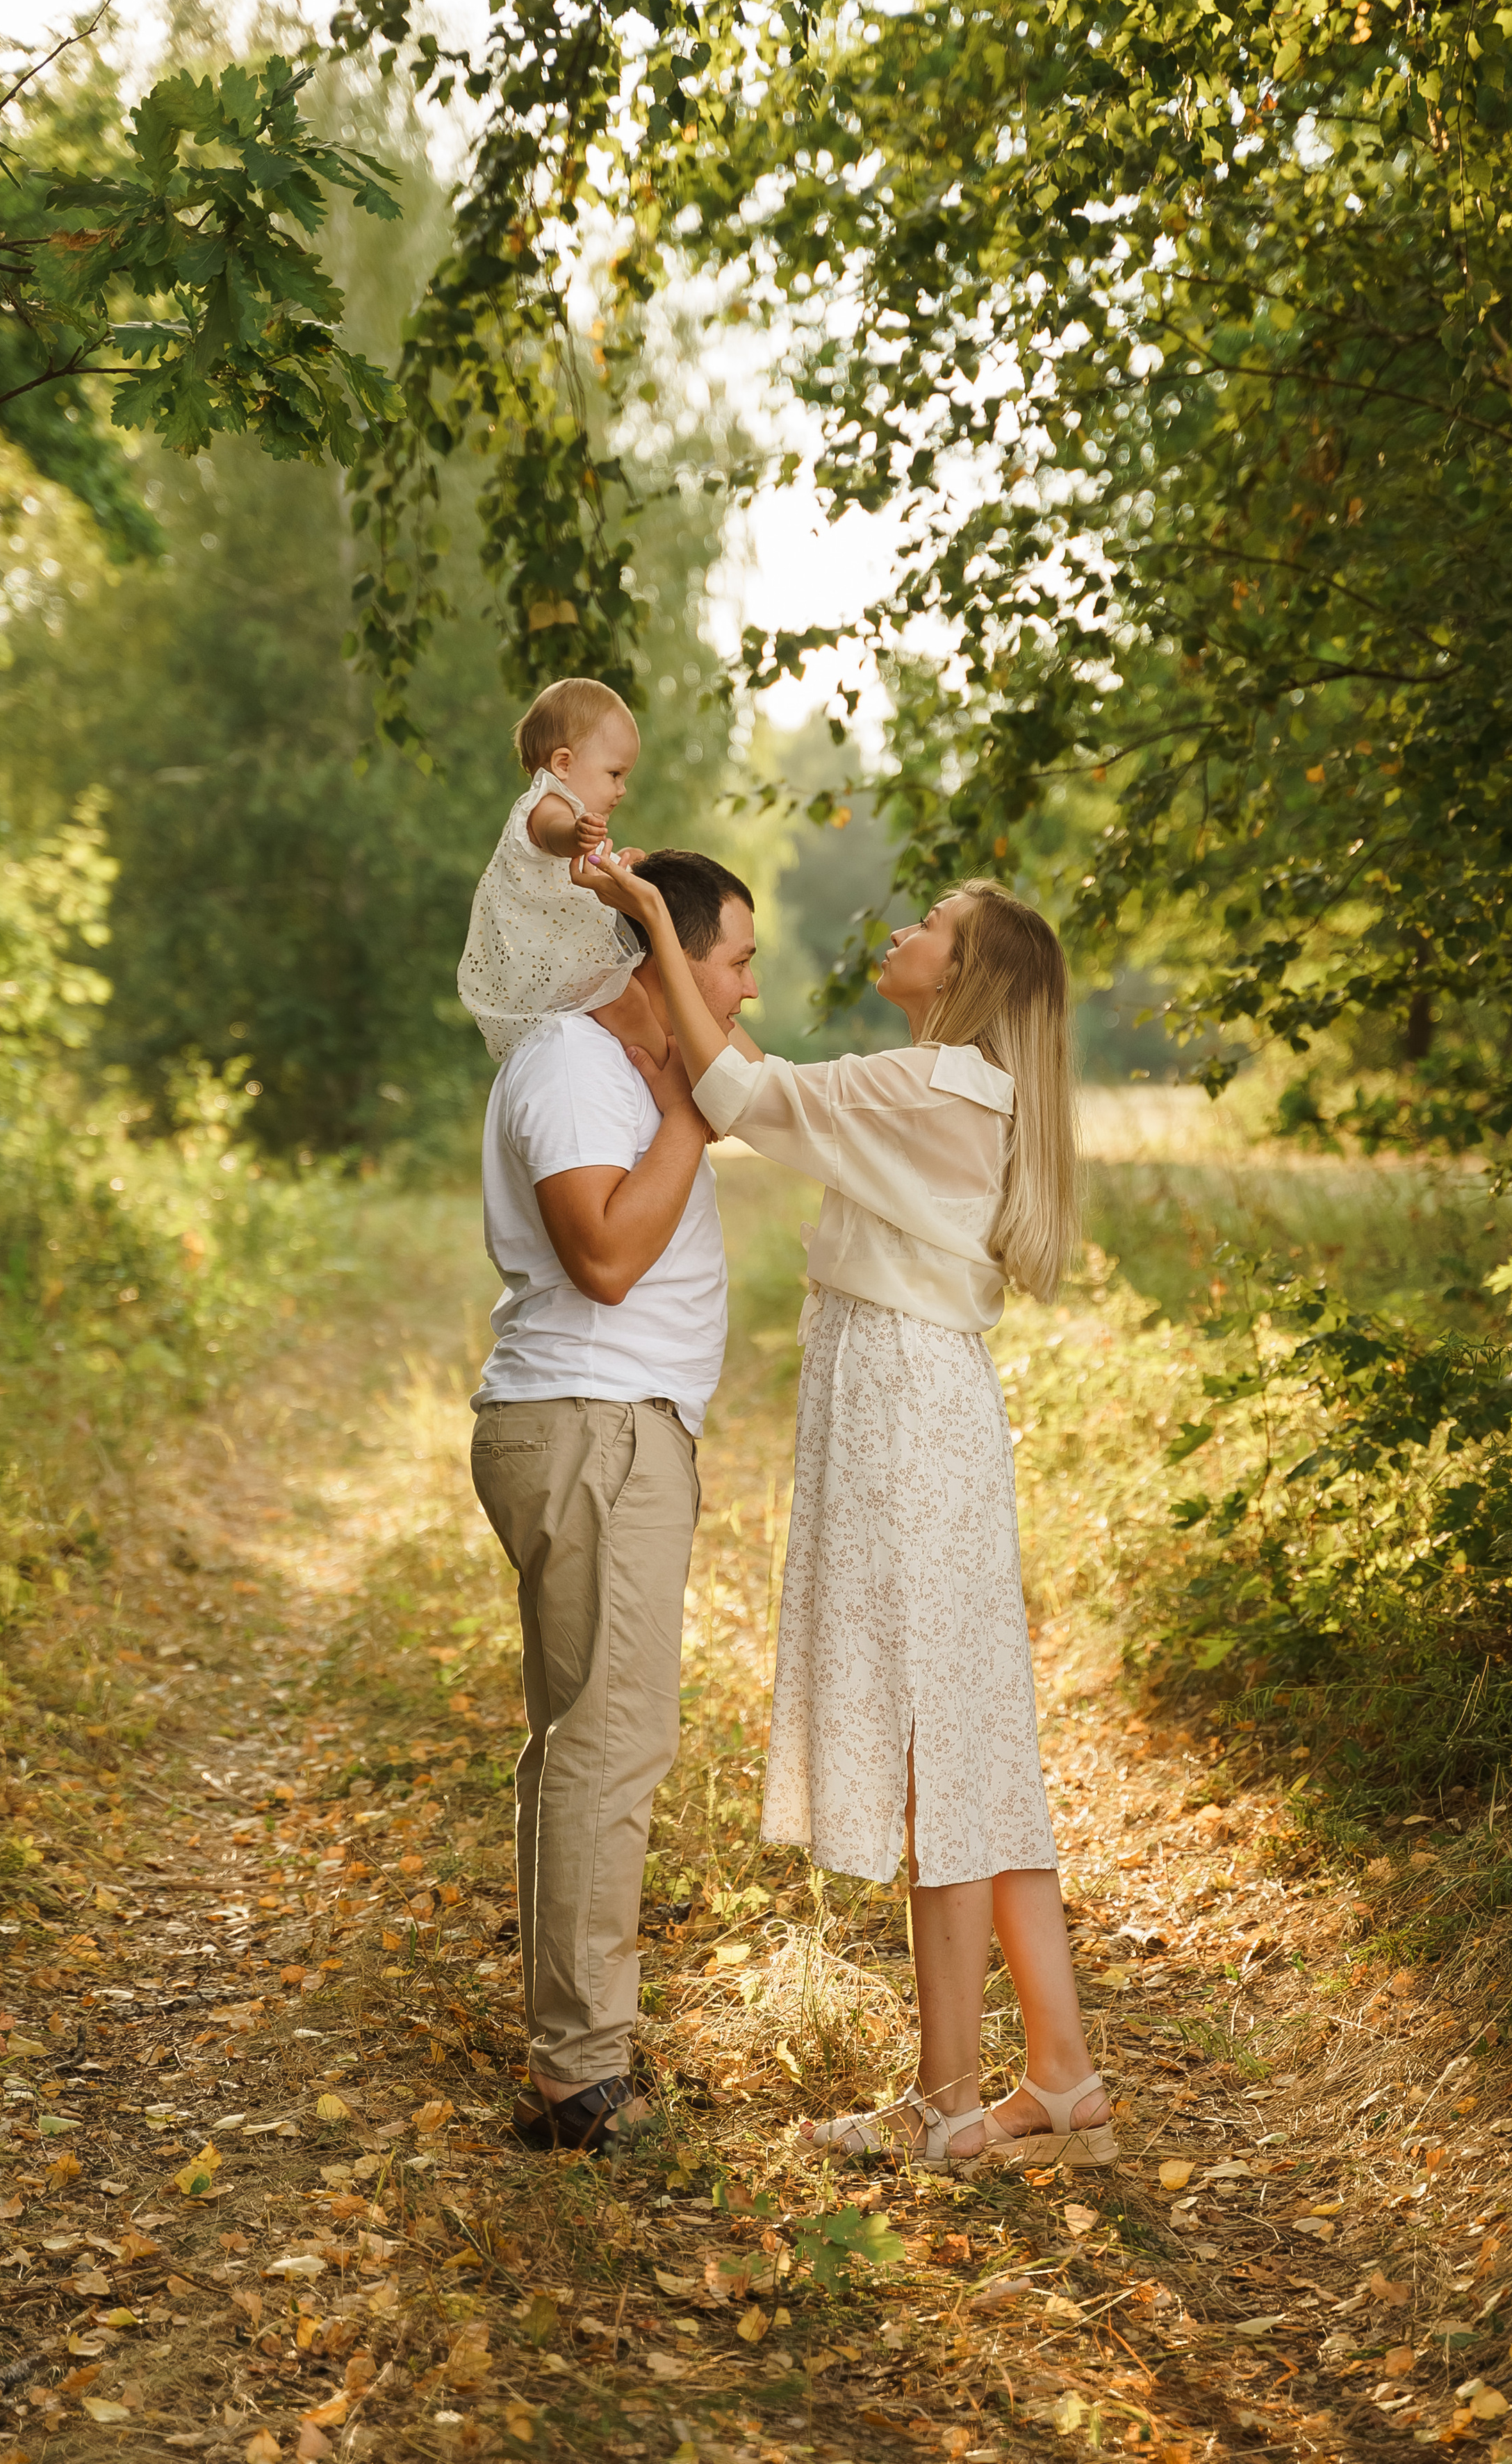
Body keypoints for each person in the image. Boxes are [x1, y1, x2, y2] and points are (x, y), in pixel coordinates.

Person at [574, 856, 1115, 2174]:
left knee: (949, 1744)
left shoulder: (931, 1083)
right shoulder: (943, 1090)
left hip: (902, 1414)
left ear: (969, 974)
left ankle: (995, 2088)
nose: (907, 930)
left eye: (933, 925)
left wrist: (654, 918)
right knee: (967, 1743)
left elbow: (741, 1092)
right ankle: (1042, 2081)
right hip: (925, 1406)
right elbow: (766, 1082)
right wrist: (686, 970)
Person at [470, 850, 758, 2153]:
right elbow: (601, 1256)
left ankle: (568, 2057)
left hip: (610, 1428)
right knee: (609, 1745)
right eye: (738, 960)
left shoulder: (627, 1068)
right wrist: (695, 1116)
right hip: (596, 1428)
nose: (749, 987)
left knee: (576, 1741)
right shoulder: (576, 1064)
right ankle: (583, 2079)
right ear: (663, 951)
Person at [458, 675, 658, 1067]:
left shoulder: (570, 807)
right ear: (563, 764)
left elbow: (581, 874)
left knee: (639, 998)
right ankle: (667, 1074)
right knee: (630, 1003)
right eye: (615, 774)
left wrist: (620, 866)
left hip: (564, 957)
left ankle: (656, 1061)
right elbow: (553, 837)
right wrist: (575, 836)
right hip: (553, 961)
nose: (622, 790)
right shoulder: (546, 804)